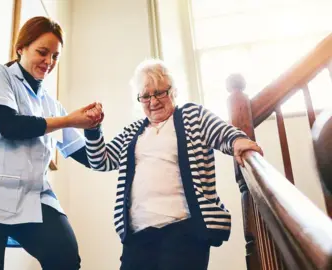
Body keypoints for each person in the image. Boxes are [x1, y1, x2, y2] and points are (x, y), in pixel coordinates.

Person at [84, 59, 263, 270]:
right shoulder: (132, 132)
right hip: (138, 233)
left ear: (173, 91)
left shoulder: (192, 116)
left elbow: (222, 132)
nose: (153, 101)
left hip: (184, 228)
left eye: (160, 92)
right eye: (146, 96)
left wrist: (238, 141)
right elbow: (100, 160)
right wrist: (93, 129)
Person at [0, 16, 100, 270]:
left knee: (65, 258)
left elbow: (89, 156)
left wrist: (93, 128)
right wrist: (67, 120)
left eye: (55, 56)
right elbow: (9, 125)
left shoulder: (50, 104)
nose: (49, 62)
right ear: (21, 48)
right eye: (42, 52)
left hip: (35, 198)